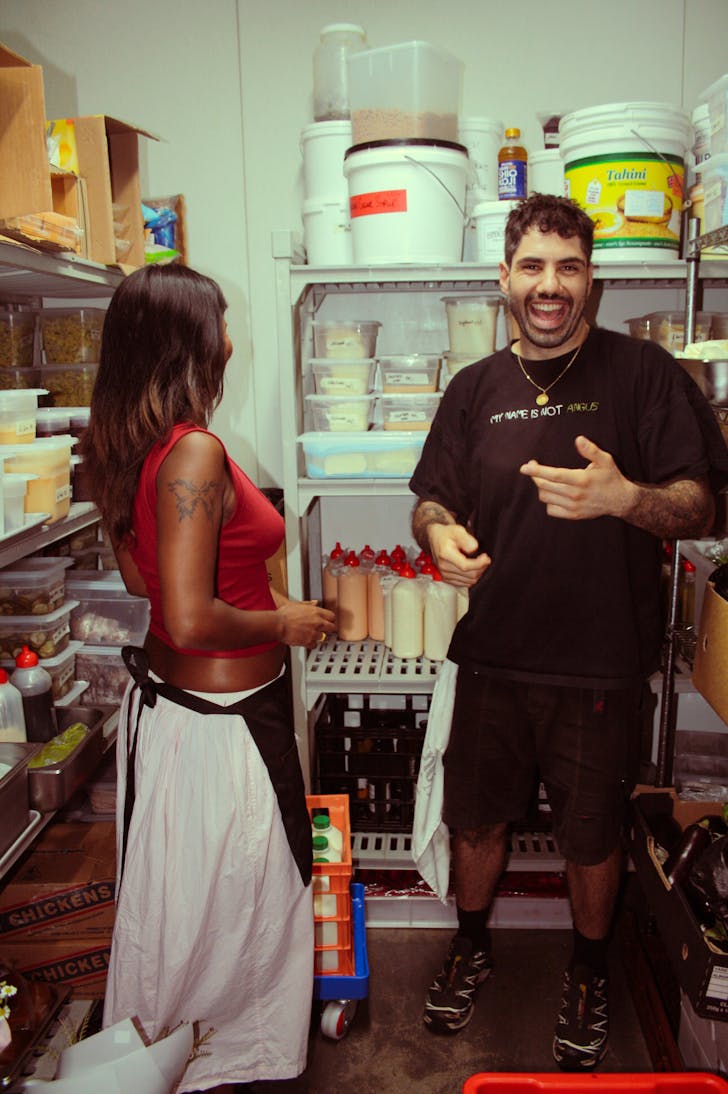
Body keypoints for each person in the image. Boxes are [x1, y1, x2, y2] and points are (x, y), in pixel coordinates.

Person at [409, 193, 728, 1071]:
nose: (550, 285)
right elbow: (432, 496)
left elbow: (701, 504)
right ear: (504, 277)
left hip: (600, 664)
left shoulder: (643, 375)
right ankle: (471, 944)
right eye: (533, 267)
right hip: (491, 657)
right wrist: (437, 535)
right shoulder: (474, 389)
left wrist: (625, 498)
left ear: (592, 278)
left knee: (591, 836)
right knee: (476, 821)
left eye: (569, 267)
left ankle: (588, 969)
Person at [80, 264, 336, 1092]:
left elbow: (144, 581)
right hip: (223, 726)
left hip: (188, 717)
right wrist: (283, 626)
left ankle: (182, 1056)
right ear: (186, 343)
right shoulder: (193, 453)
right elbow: (189, 618)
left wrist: (271, 603)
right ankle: (221, 1059)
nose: (229, 339)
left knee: (190, 907)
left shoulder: (132, 450)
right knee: (236, 904)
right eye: (219, 323)